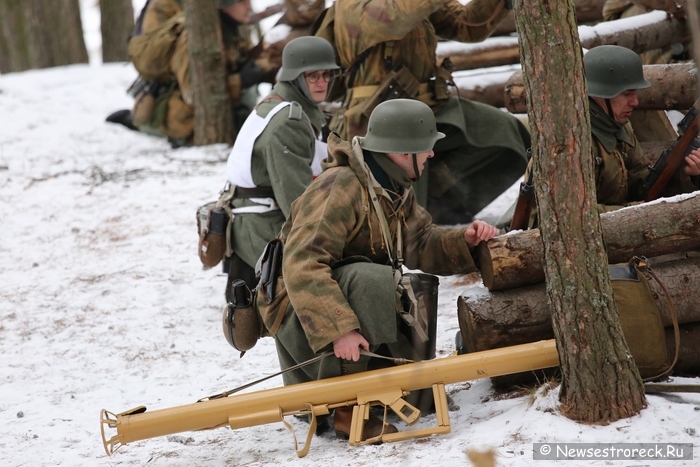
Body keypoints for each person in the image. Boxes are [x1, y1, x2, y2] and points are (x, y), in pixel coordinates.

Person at [258, 99, 498, 440]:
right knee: (370, 278)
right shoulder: (340, 186)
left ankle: (400, 387)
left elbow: (422, 241)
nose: (431, 155)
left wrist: (466, 240)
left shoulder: (392, 186)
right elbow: (302, 264)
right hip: (302, 313)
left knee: (412, 286)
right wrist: (338, 329)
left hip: (336, 304)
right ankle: (345, 408)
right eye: (427, 147)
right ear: (403, 151)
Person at [313, 0, 532, 224]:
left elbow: (468, 25)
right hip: (381, 117)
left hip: (432, 109)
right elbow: (391, 21)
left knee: (505, 132)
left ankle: (439, 206)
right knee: (399, 206)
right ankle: (416, 222)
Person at [497, 45, 700, 230]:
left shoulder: (618, 126)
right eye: (627, 94)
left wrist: (686, 174)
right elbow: (571, 218)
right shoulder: (568, 143)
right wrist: (634, 212)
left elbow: (640, 184)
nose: (635, 101)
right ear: (600, 94)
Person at [222, 36, 340, 301]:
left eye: (326, 75)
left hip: (253, 217)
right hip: (262, 224)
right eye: (312, 76)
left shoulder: (279, 103)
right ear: (296, 77)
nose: (322, 82)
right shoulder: (290, 122)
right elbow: (298, 205)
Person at [106, 0, 273, 147]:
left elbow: (244, 57)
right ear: (224, 6)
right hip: (178, 115)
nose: (249, 7)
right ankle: (138, 122)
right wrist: (240, 81)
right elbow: (198, 96)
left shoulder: (233, 25)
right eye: (242, 2)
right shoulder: (194, 34)